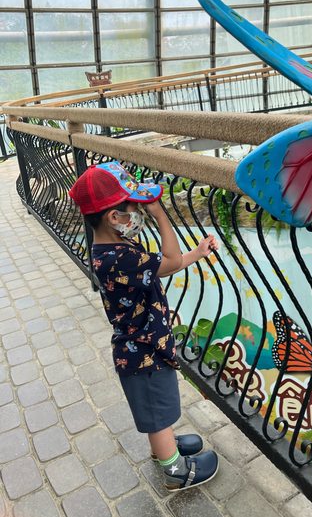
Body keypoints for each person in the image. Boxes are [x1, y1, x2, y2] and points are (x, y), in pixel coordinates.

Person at [69, 161, 219, 490]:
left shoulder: (113, 249)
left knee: (156, 410)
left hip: (142, 344)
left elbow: (166, 266)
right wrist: (160, 215)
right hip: (144, 350)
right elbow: (171, 260)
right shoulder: (119, 258)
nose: (140, 213)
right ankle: (176, 471)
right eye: (135, 208)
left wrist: (197, 252)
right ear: (114, 217)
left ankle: (163, 449)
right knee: (158, 412)